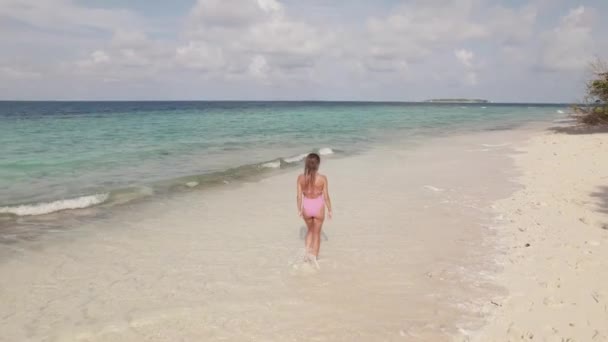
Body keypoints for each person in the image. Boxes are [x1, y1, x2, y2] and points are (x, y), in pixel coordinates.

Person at [296, 153, 332, 264]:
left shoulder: (300, 178)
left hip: (306, 207)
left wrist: (299, 210)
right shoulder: (322, 178)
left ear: (306, 163)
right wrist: (330, 210)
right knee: (317, 233)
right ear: (318, 164)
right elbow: (326, 196)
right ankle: (314, 258)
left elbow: (298, 196)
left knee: (310, 231)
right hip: (318, 207)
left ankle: (306, 255)